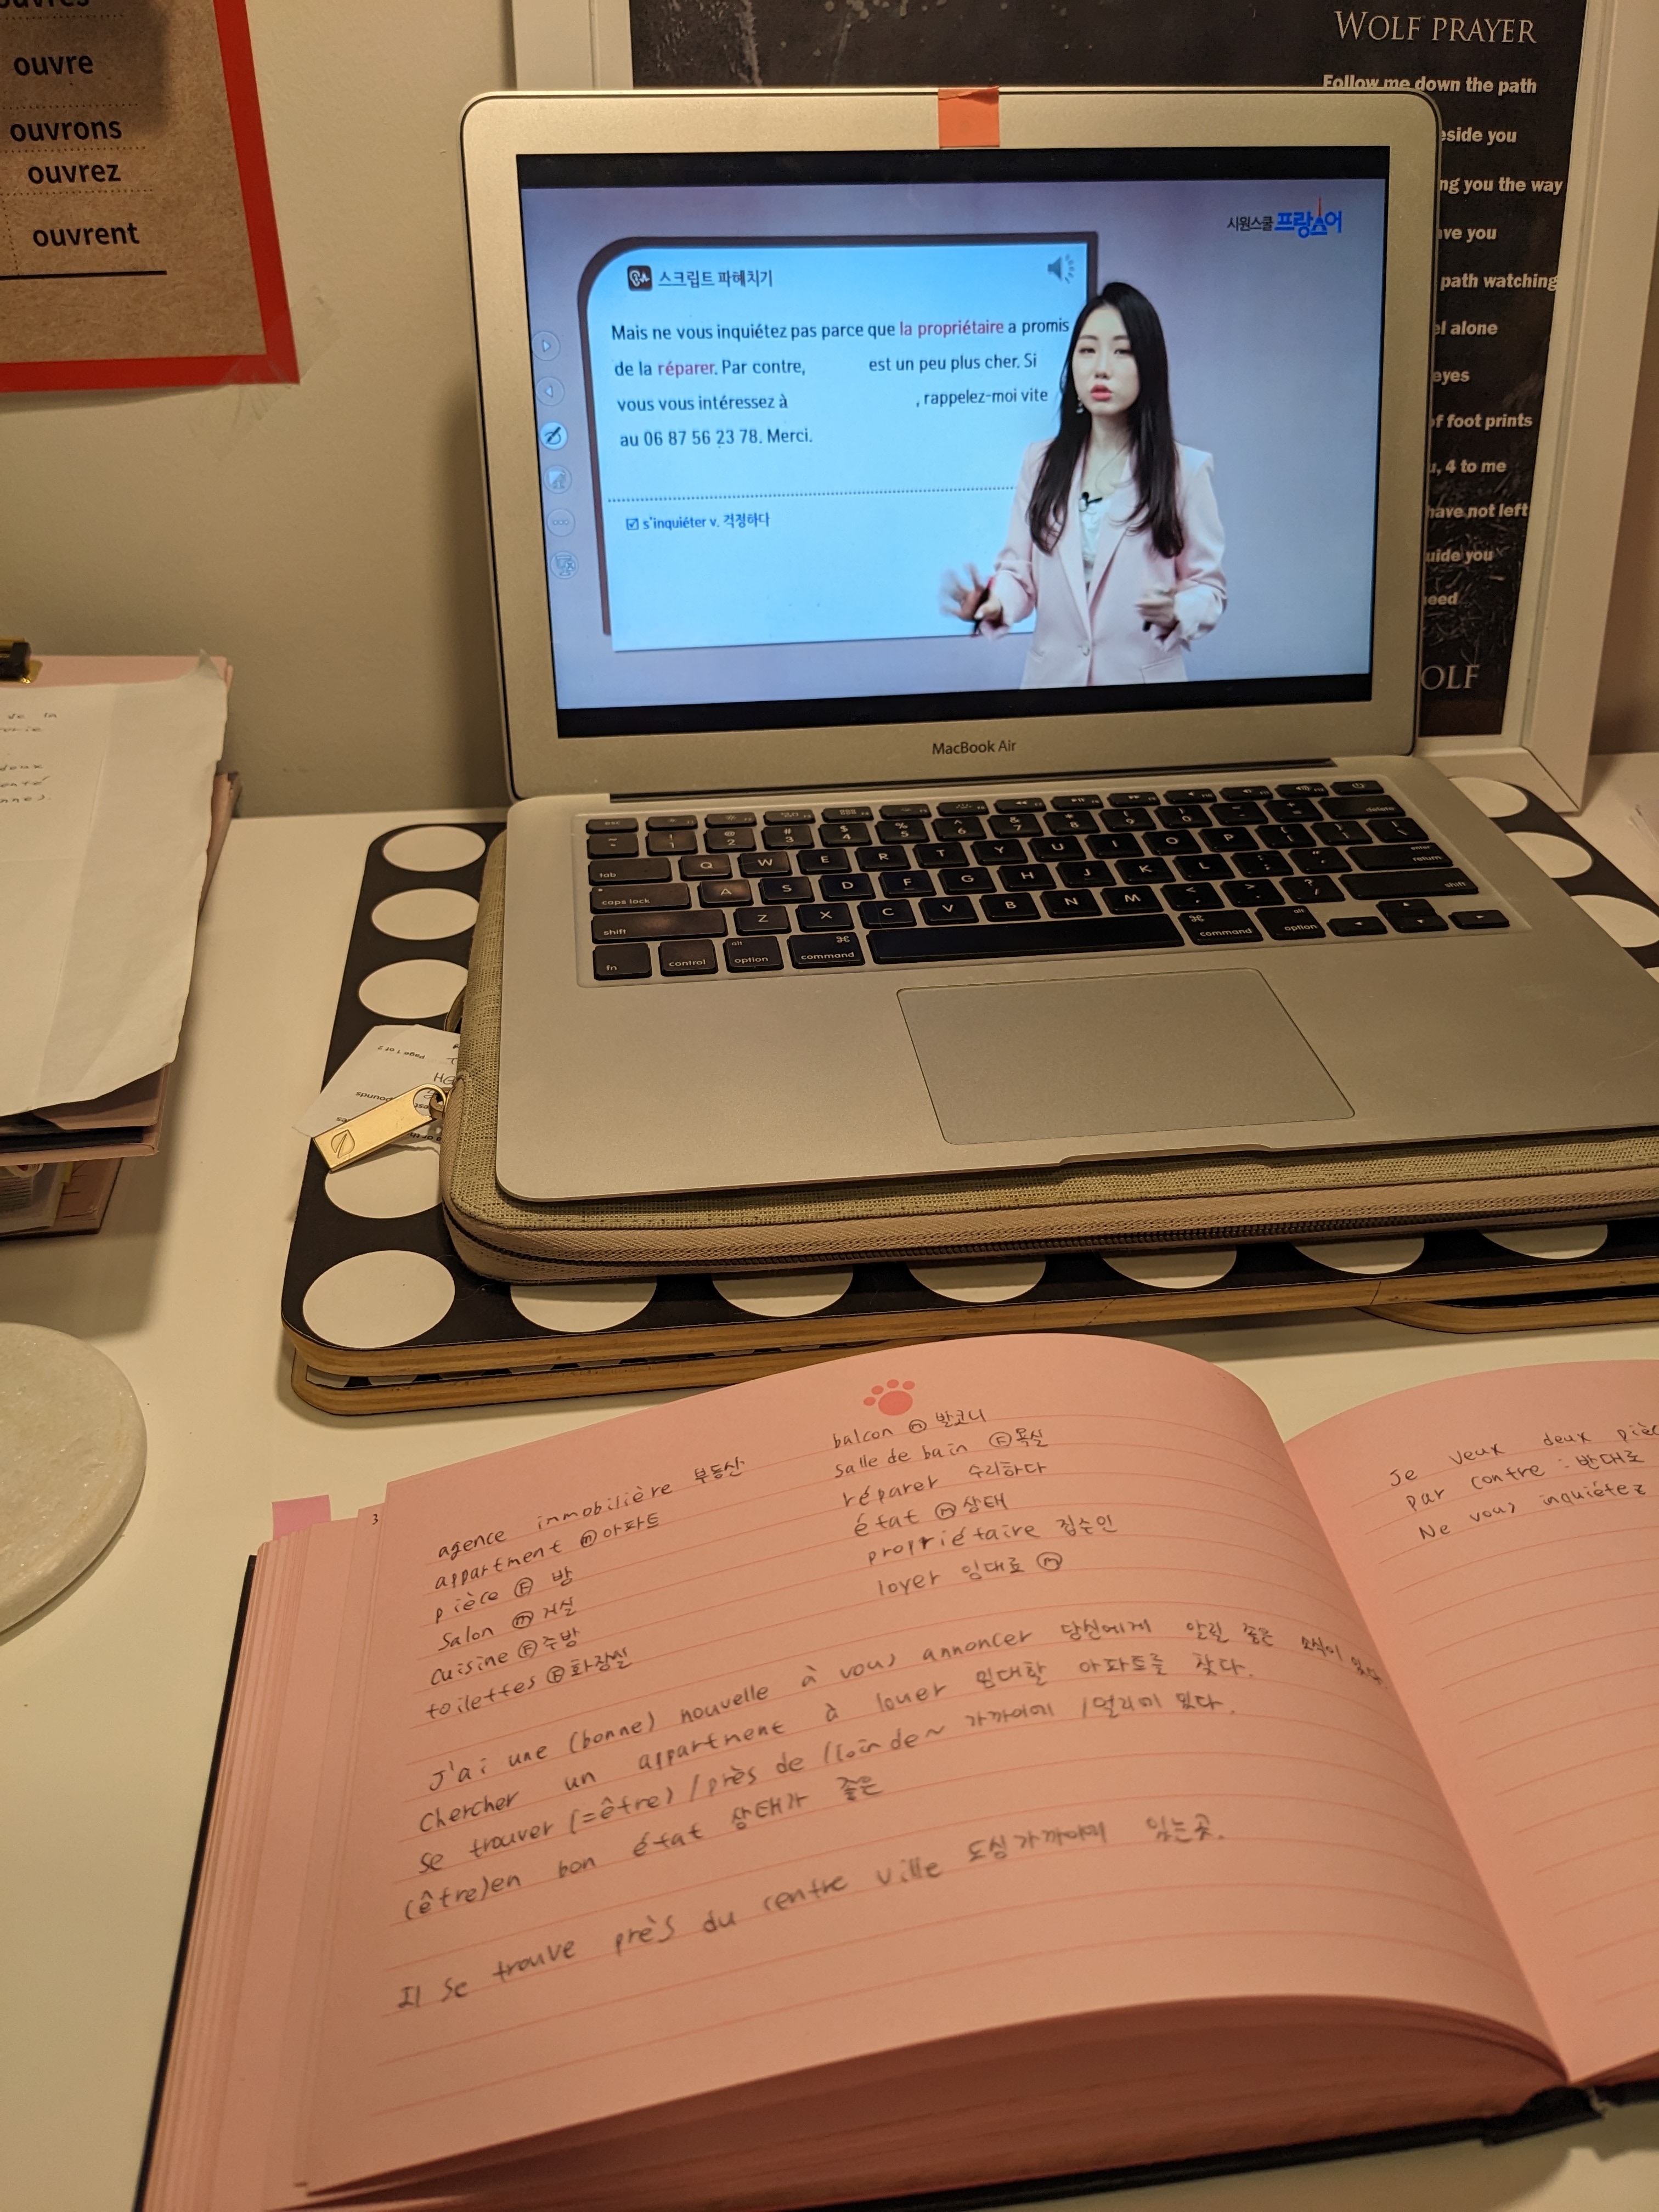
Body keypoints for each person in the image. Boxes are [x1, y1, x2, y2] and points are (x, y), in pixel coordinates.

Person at [944, 282, 1225, 686]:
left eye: (1122, 352)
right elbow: (1020, 573)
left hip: (1144, 696)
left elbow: (1208, 587)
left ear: (1149, 365)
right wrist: (996, 602)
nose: (1101, 368)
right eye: (1088, 350)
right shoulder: (1040, 462)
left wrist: (1179, 609)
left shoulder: (1185, 470)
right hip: (1052, 691)